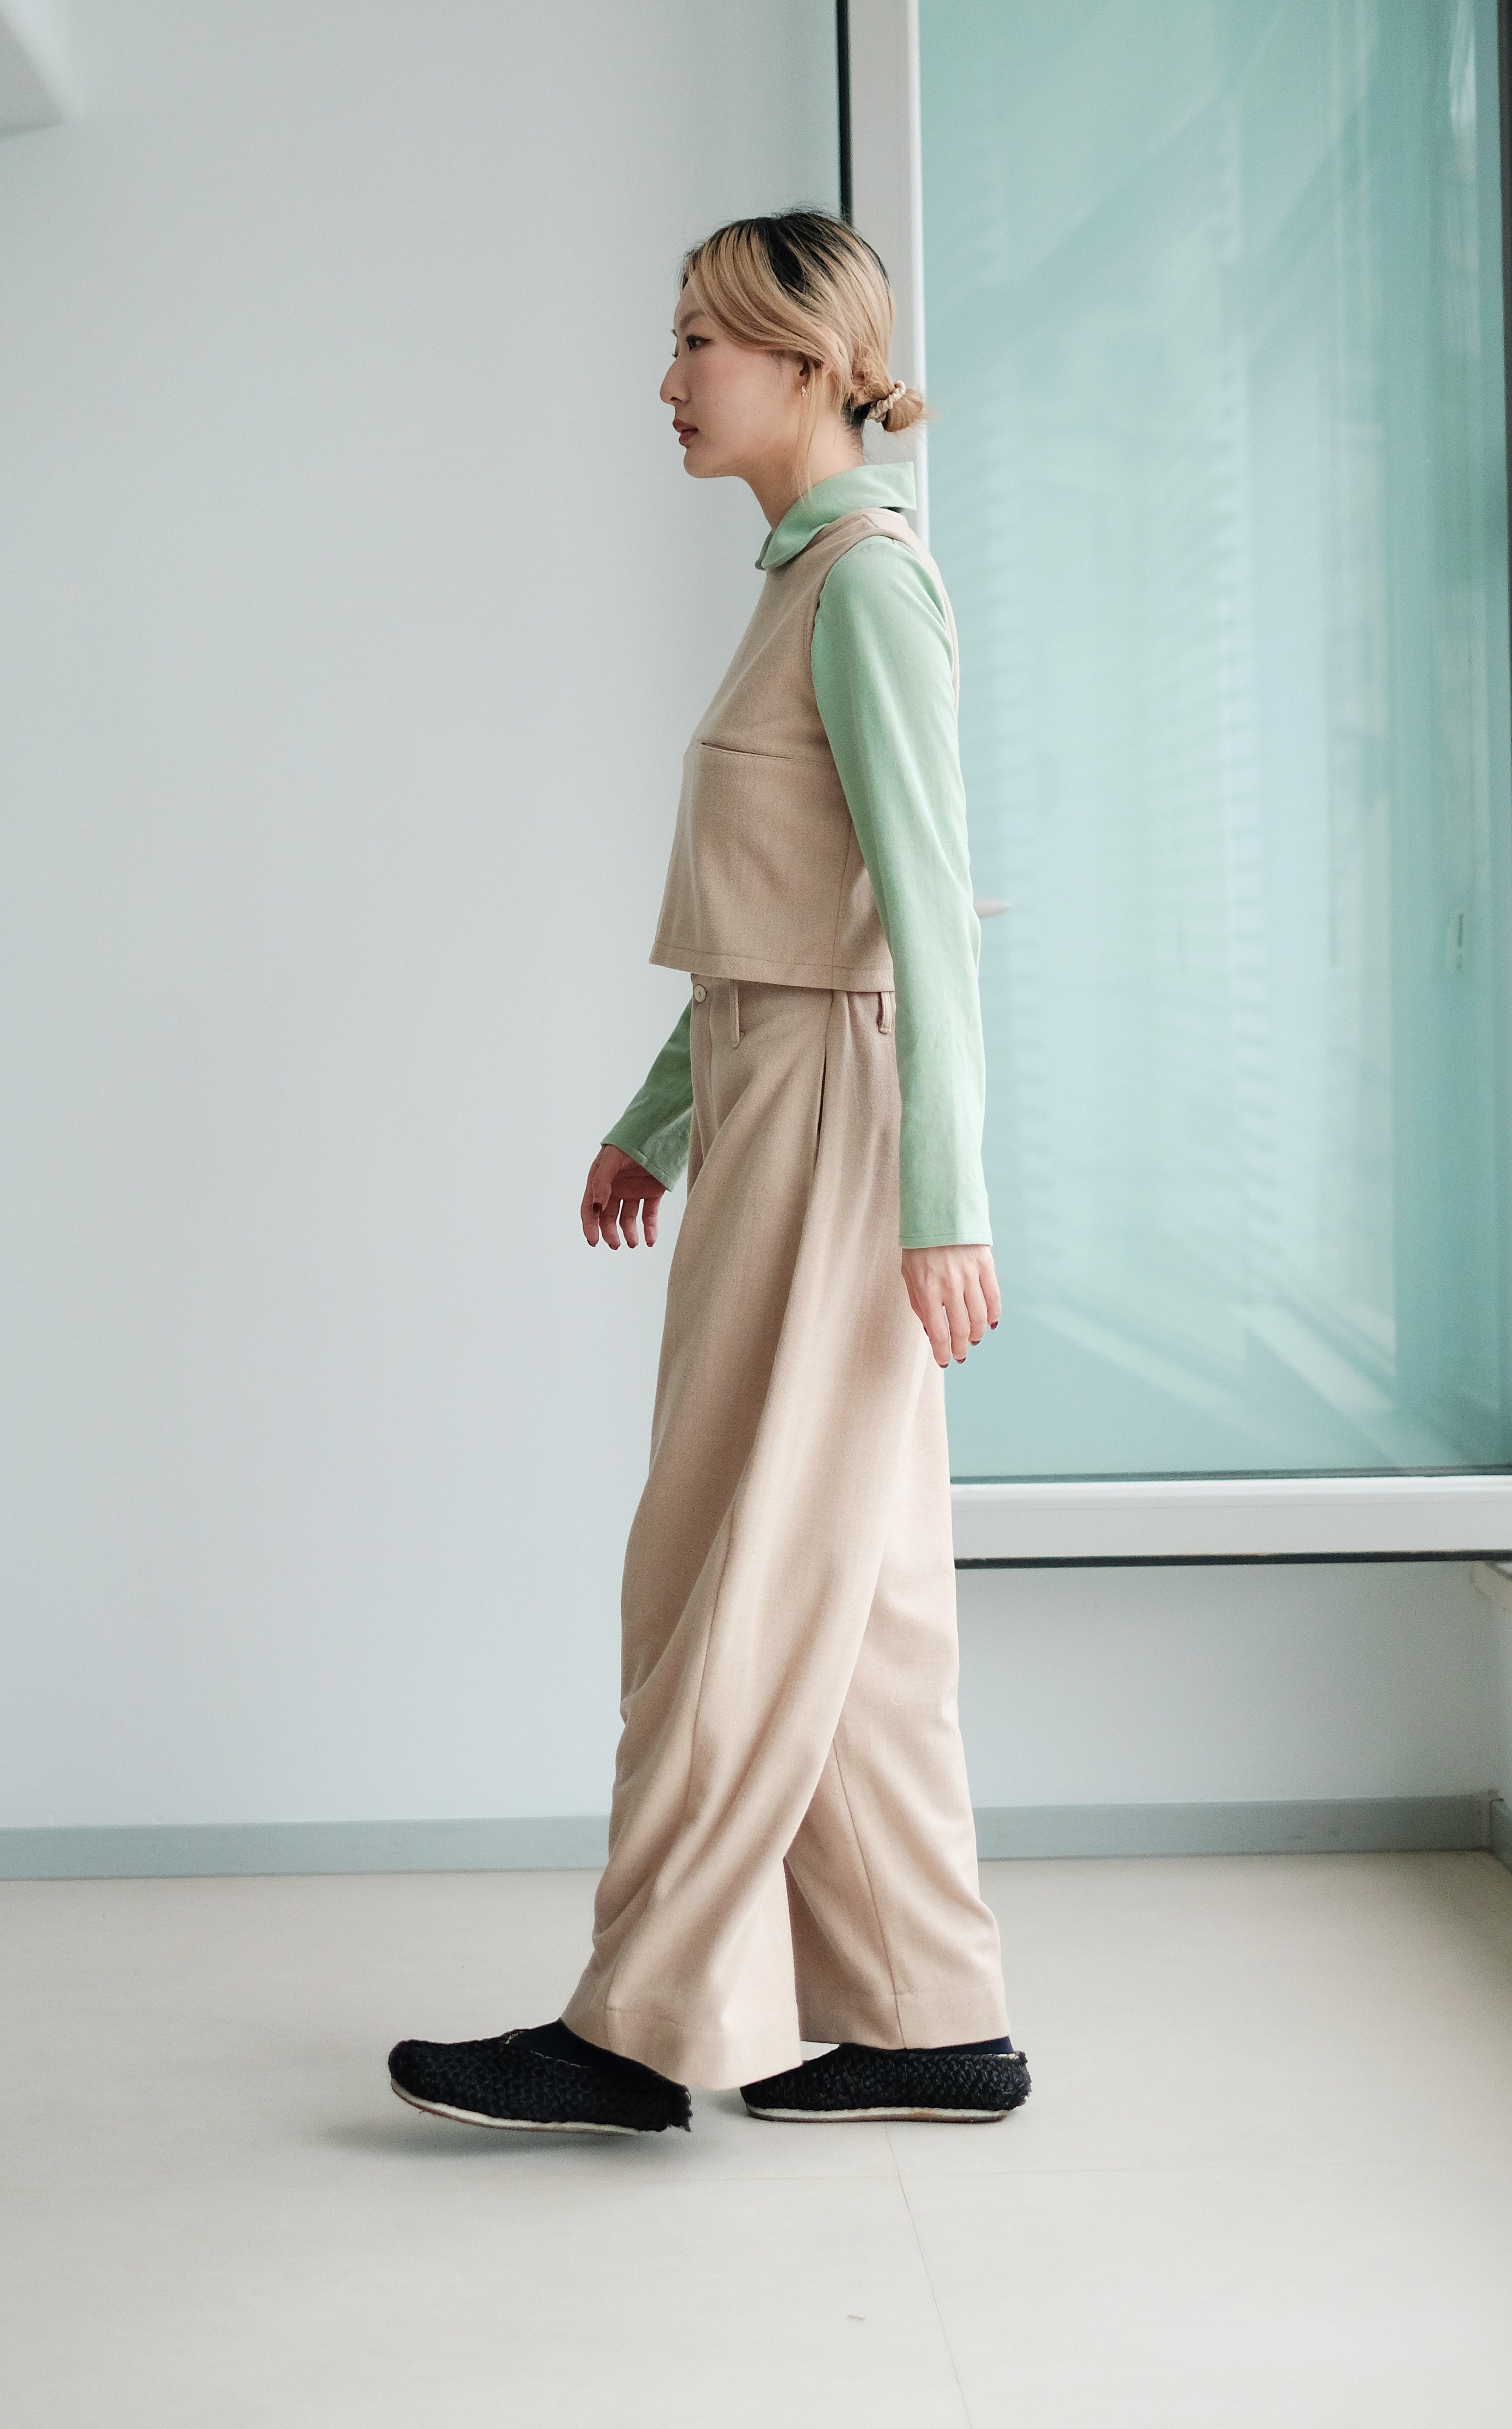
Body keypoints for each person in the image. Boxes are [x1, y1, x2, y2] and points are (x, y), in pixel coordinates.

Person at [389, 211, 1028, 2136]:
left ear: (811, 362)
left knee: (729, 1560)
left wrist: (944, 1202)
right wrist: (653, 1117)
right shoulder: (801, 586)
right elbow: (785, 919)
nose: (668, 380)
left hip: (837, 1122)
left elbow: (924, 921)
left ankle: (640, 2025)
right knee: (856, 1579)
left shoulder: (865, 588)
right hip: (776, 1093)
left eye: (699, 342)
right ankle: (926, 2016)